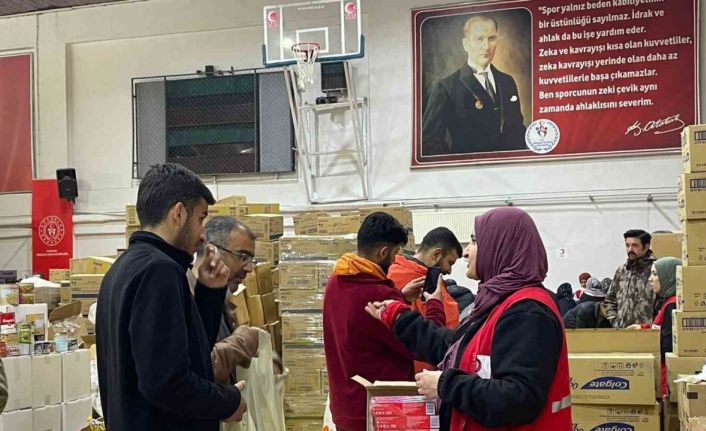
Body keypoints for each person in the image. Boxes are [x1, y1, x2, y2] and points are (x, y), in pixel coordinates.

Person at [366, 207, 571, 430]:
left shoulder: (527, 312)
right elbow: (453, 347)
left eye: (474, 242)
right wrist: (399, 317)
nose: (466, 252)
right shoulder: (497, 303)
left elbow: (518, 399)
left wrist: (446, 385)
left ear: (501, 246)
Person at [96, 163, 246, 431]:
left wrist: (208, 294)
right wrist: (227, 401)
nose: (203, 236)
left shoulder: (123, 269)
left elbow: (185, 354)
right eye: (201, 218)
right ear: (178, 213)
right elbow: (166, 382)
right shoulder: (159, 271)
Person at [323, 212, 446, 431]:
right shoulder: (378, 293)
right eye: (396, 253)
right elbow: (425, 346)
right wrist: (435, 305)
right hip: (379, 414)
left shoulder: (337, 281)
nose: (397, 259)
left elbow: (363, 324)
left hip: (345, 410)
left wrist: (399, 297)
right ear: (383, 252)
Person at [421, 14, 526, 155]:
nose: (486, 46)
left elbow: (518, 131)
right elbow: (430, 143)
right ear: (465, 44)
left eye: (492, 39)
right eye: (479, 39)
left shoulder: (507, 81)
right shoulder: (446, 87)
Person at [189, 216, 263, 384]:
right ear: (211, 252)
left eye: (251, 260)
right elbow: (194, 369)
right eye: (242, 257)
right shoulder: (185, 298)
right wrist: (240, 344)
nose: (250, 268)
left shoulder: (220, 298)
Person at [387, 227, 463, 372]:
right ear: (437, 254)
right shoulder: (436, 289)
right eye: (450, 262)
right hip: (425, 377)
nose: (449, 271)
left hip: (395, 372)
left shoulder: (390, 274)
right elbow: (450, 340)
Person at [628, 257, 680, 397]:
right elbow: (661, 328)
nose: (650, 279)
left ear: (668, 276)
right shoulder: (667, 301)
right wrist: (644, 328)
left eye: (655, 274)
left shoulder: (672, 306)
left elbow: (667, 346)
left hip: (665, 378)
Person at [604, 229, 656, 328]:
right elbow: (610, 300)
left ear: (646, 247)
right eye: (627, 245)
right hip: (623, 333)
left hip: (648, 334)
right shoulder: (621, 271)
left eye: (635, 245)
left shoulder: (656, 270)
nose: (630, 249)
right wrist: (615, 321)